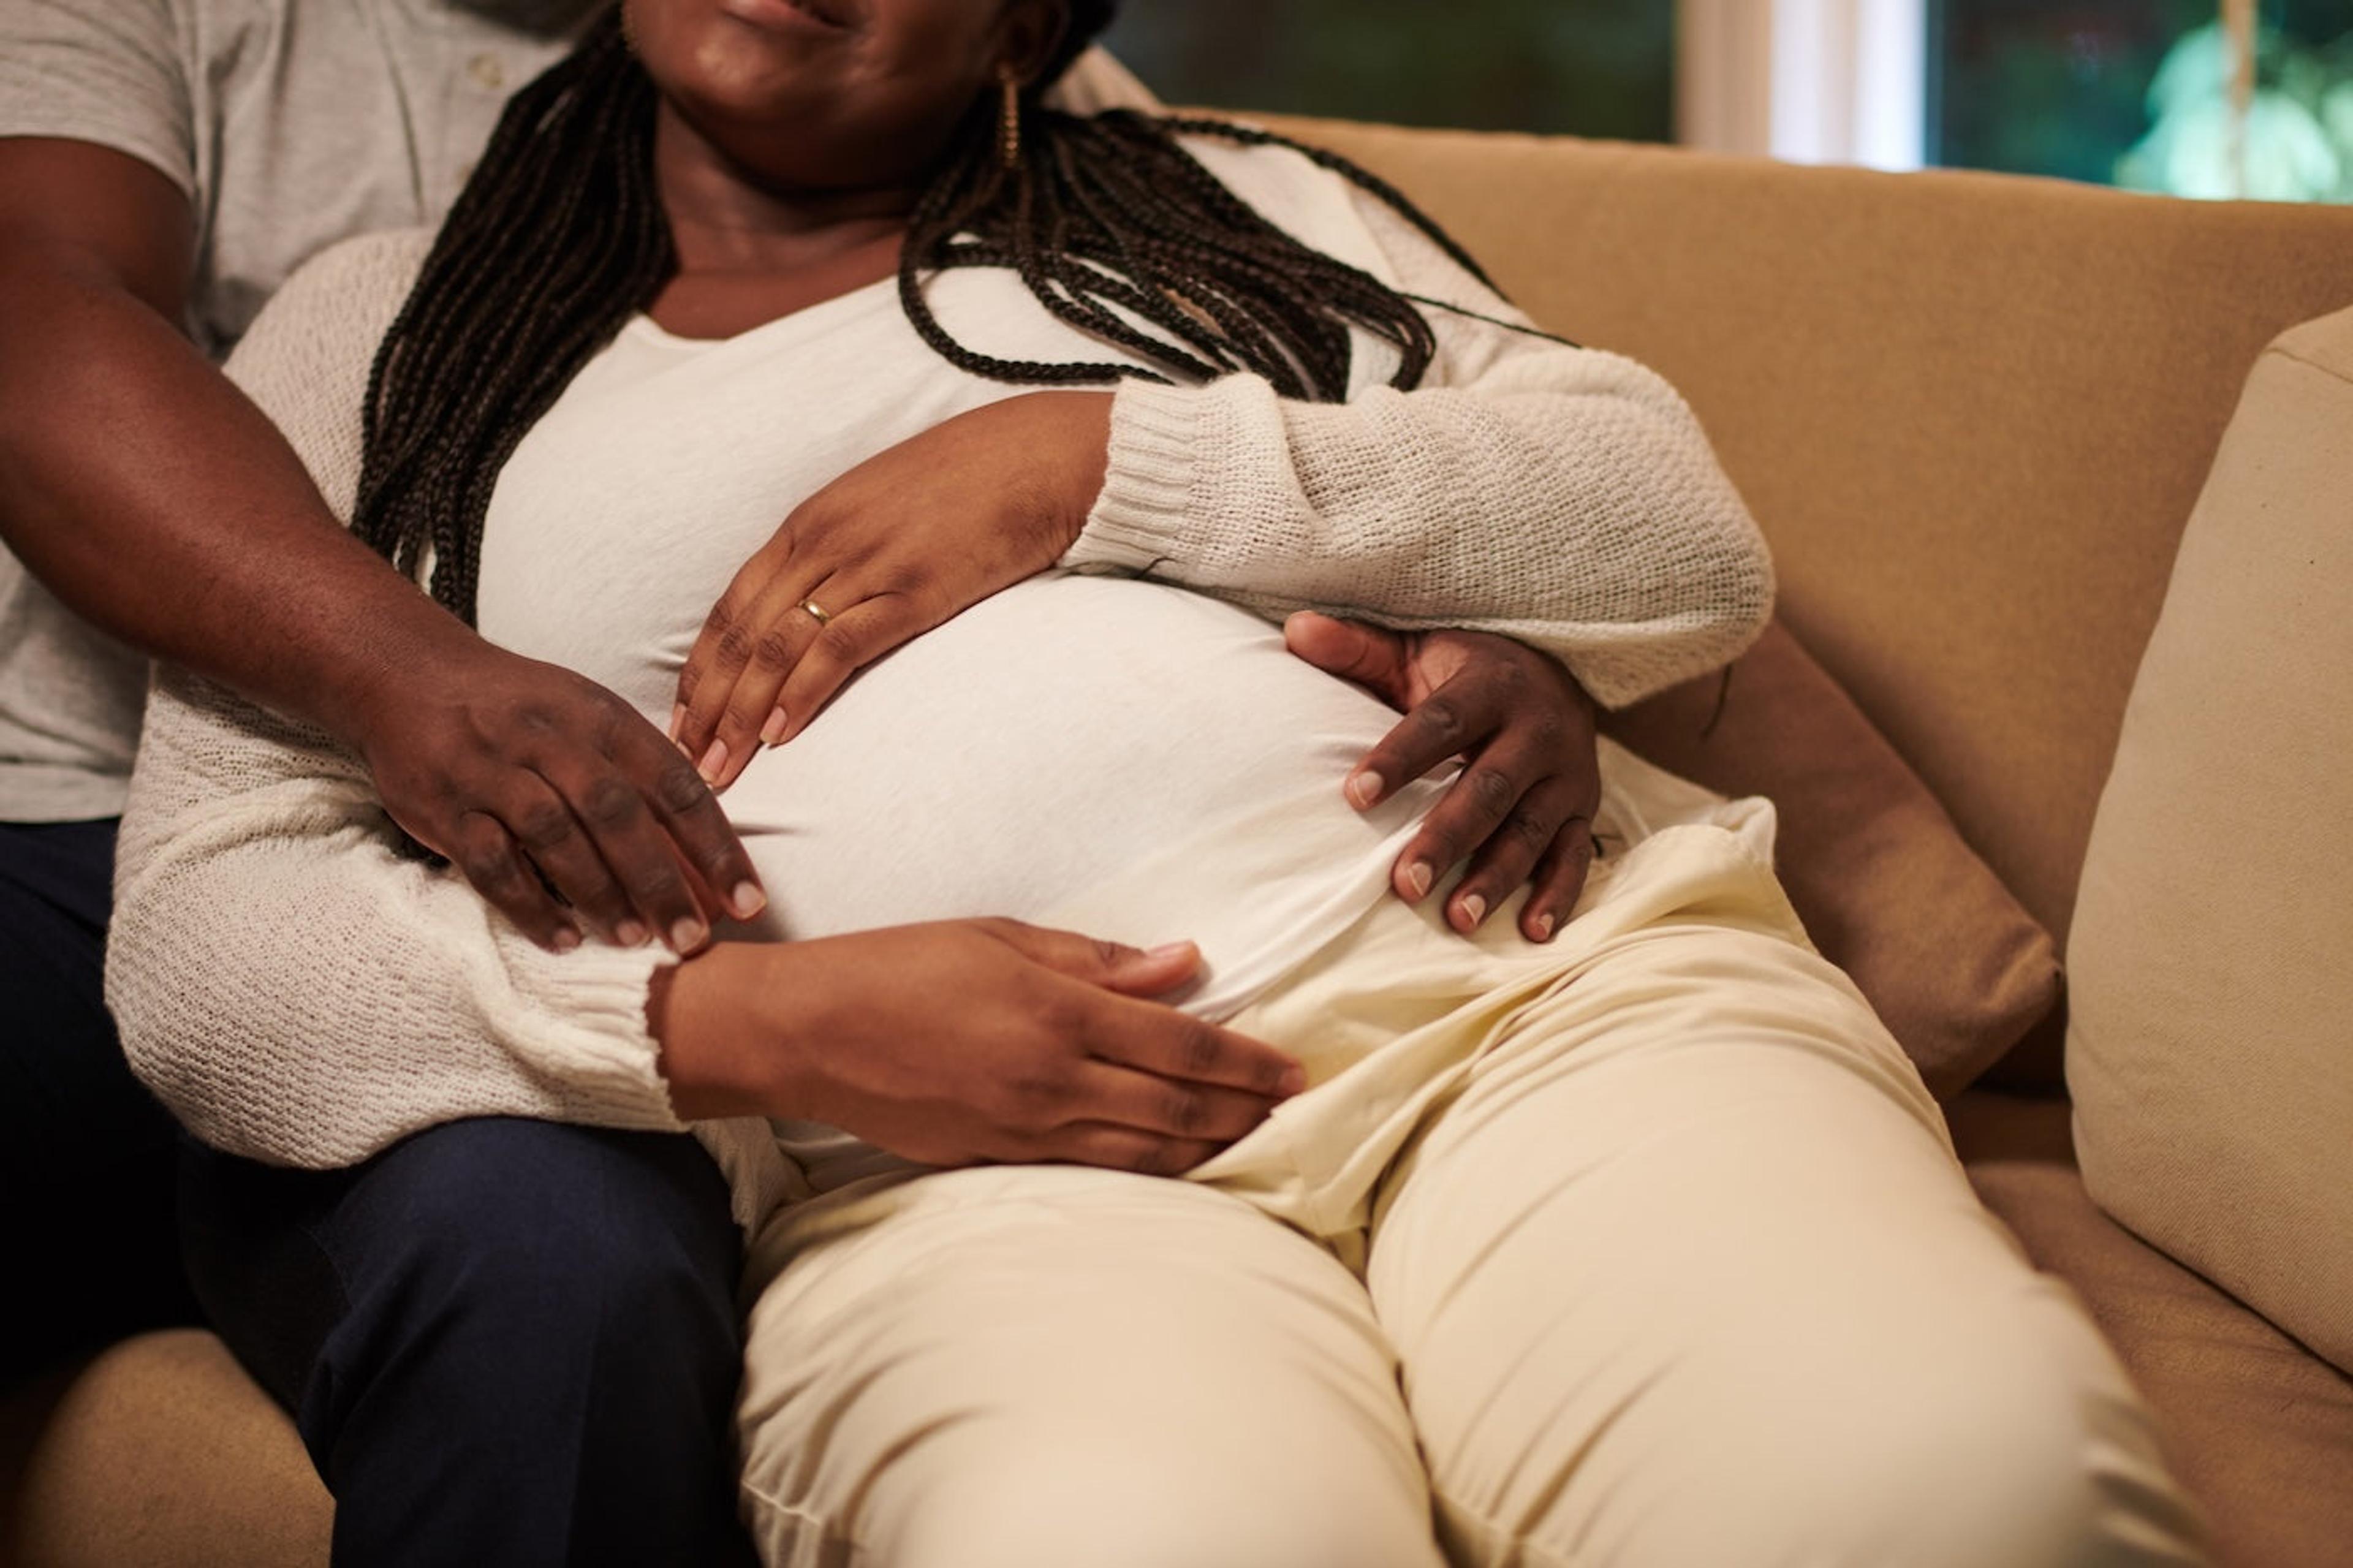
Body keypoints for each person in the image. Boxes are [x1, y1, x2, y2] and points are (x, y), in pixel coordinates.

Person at [107, 1, 2207, 1566]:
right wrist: (733, 1022)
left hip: (1531, 1009)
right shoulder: (385, 334)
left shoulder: (1230, 212)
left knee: (1951, 1492)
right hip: (962, 1174)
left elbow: (1673, 527)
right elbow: (208, 939)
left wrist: (1096, 463)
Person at [0, 0, 1604, 1558]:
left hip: (1339, 996)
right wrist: (406, 672)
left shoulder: (951, 77)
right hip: (148, 836)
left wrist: (1516, 628)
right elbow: (34, 317)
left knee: (559, 1270)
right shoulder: (330, 247)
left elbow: (1306, 346)